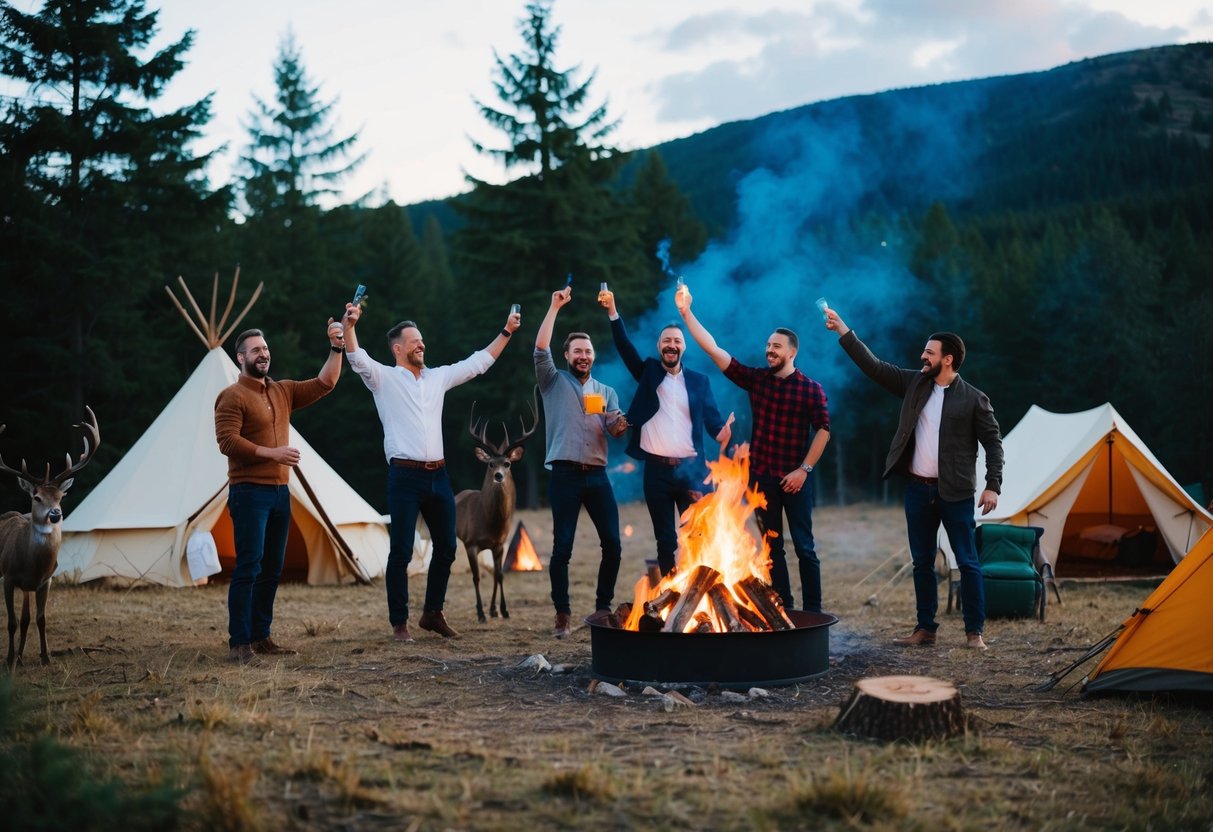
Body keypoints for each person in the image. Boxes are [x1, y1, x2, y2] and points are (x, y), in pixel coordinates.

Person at [825, 308, 1003, 650]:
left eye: (929, 353)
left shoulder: (974, 399)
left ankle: (973, 633)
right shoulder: (914, 384)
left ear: (947, 360)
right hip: (918, 490)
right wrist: (844, 330)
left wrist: (993, 484)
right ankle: (926, 629)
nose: (922, 356)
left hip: (957, 494)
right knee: (921, 562)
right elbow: (874, 366)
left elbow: (994, 444)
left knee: (966, 562)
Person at [344, 302, 521, 643]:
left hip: (438, 476)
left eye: (422, 340)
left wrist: (507, 332)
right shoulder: (383, 378)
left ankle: (432, 613)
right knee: (401, 552)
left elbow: (477, 364)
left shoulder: (436, 377)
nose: (421, 345)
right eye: (414, 342)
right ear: (398, 349)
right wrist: (350, 326)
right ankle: (399, 623)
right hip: (405, 477)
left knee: (447, 548)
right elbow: (356, 358)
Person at [676, 285, 831, 612]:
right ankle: (784, 608)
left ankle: (813, 612)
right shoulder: (758, 379)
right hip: (762, 479)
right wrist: (687, 314)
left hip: (796, 479)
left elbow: (823, 431)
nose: (769, 351)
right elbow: (716, 351)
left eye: (776, 347)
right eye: (768, 346)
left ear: (792, 352)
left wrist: (804, 470)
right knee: (772, 550)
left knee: (805, 547)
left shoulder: (810, 389)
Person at [215, 321, 345, 664]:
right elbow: (227, 442)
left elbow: (326, 383)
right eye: (256, 350)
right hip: (248, 493)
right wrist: (272, 454)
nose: (264, 354)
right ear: (240, 357)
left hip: (280, 493)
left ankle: (261, 636)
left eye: (266, 348)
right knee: (249, 567)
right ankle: (238, 644)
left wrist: (336, 347)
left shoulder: (282, 390)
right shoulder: (231, 396)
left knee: (273, 568)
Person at [600, 288, 733, 576]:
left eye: (677, 341)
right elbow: (625, 347)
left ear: (684, 348)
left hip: (692, 470)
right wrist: (612, 311)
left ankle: (698, 592)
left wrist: (723, 433)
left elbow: (713, 422)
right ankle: (671, 595)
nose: (672, 345)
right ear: (660, 346)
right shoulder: (648, 372)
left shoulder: (699, 381)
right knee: (666, 541)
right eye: (666, 341)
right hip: (656, 473)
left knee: (697, 535)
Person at [535, 285, 629, 638]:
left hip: (598, 476)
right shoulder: (552, 381)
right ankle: (562, 613)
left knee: (614, 545)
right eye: (578, 351)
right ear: (567, 355)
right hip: (564, 475)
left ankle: (603, 606)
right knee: (563, 548)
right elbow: (540, 347)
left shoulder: (606, 392)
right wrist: (554, 306)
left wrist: (622, 423)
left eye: (588, 351)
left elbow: (615, 427)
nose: (584, 356)